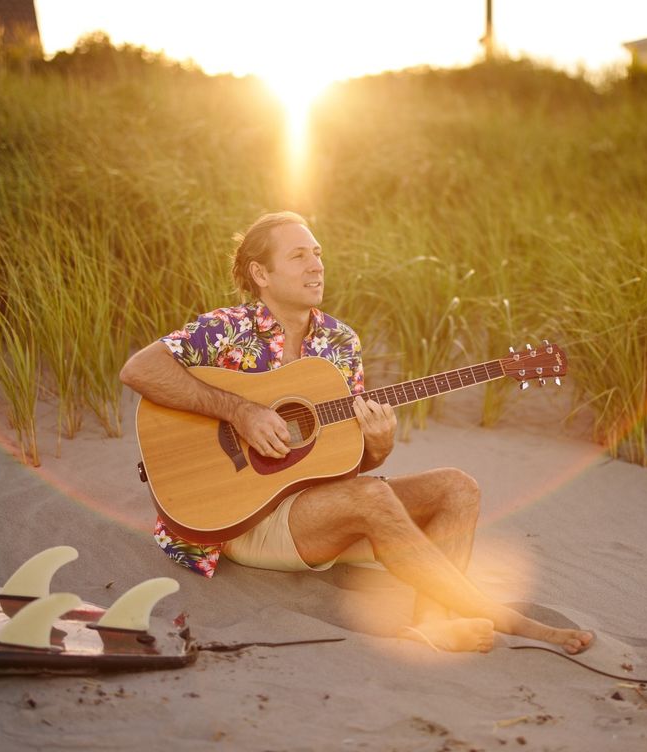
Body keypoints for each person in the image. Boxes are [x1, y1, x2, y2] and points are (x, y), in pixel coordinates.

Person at [119, 211, 593, 655]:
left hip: (315, 513)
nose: (316, 266)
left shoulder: (339, 342)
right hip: (236, 518)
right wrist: (240, 411)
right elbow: (140, 369)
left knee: (457, 487)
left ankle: (432, 621)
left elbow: (345, 461)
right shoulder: (226, 329)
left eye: (318, 253)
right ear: (261, 274)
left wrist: (379, 444)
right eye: (299, 256)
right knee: (371, 498)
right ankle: (493, 612)